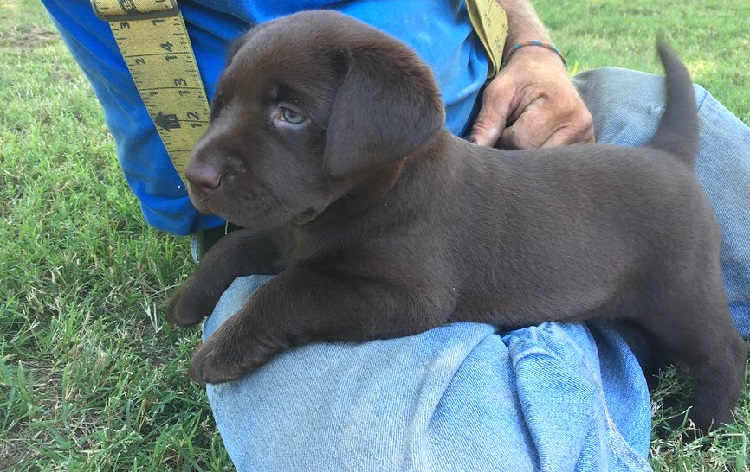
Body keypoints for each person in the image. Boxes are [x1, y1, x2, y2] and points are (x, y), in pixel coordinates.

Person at [42, 0, 750, 470]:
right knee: (416, 451)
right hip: (322, 203)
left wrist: (532, 43)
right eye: (229, 102)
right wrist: (229, 257)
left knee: (701, 303)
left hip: (545, 147)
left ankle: (641, 355)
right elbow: (209, 190)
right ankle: (577, 354)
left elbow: (407, 300)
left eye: (288, 112)